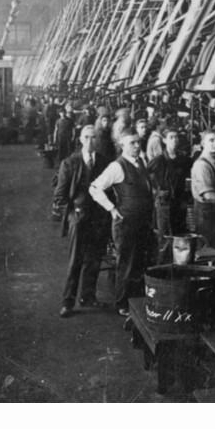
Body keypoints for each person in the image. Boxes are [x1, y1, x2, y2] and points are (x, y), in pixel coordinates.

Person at [90, 132, 156, 316]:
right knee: (127, 264)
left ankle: (137, 302)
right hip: (126, 223)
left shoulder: (141, 162)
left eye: (138, 142)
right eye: (132, 143)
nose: (137, 146)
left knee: (140, 262)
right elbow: (94, 188)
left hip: (143, 221)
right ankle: (123, 304)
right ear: (122, 145)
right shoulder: (117, 166)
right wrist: (111, 208)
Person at [54, 125, 112, 318]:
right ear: (80, 139)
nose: (90, 141)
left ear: (98, 140)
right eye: (86, 137)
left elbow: (110, 190)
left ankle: (88, 296)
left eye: (94, 137)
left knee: (94, 259)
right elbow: (60, 196)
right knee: (75, 260)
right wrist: (72, 215)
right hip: (78, 217)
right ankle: (67, 302)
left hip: (99, 218)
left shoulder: (104, 162)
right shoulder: (70, 163)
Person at [148, 128, 192, 263]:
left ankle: (179, 266)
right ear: (164, 140)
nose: (174, 140)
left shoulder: (184, 160)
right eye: (171, 137)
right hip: (164, 204)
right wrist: (156, 191)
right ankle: (164, 267)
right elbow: (145, 178)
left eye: (176, 137)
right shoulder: (158, 160)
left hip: (180, 203)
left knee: (180, 235)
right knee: (165, 237)